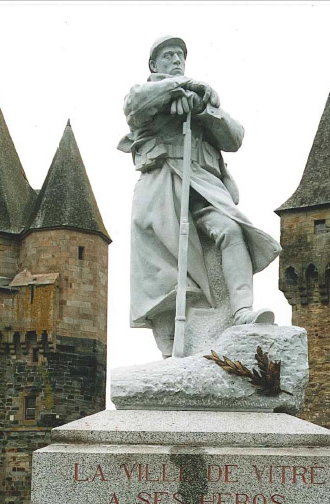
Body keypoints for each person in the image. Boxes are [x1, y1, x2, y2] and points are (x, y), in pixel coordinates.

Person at [118, 36, 281, 357]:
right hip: (162, 182)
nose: (176, 59)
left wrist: (202, 107)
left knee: (231, 230)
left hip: (203, 181)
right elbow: (134, 106)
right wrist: (178, 90)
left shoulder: (201, 97)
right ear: (154, 65)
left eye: (180, 55)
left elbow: (234, 137)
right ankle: (169, 349)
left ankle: (241, 311)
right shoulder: (145, 91)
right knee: (161, 269)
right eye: (168, 55)